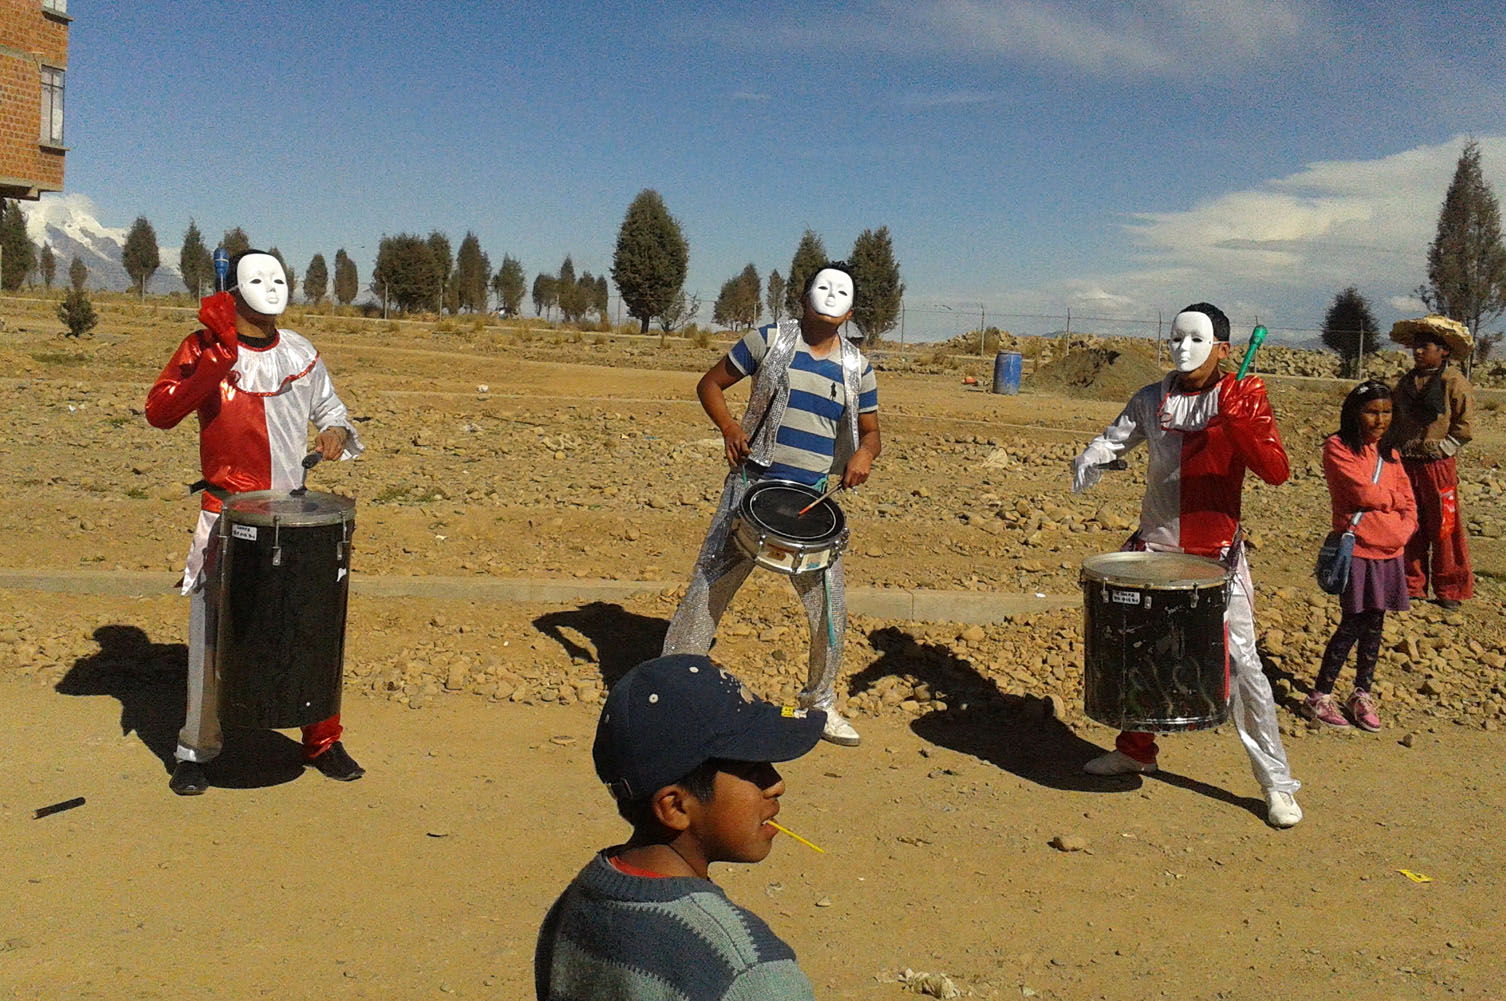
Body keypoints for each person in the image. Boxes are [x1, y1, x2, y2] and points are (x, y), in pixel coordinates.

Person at [1070, 302, 1302, 828]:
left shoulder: (1245, 395)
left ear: (1223, 348)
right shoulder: (1151, 398)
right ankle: (1135, 749)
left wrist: (1241, 422)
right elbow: (1116, 436)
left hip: (1216, 558)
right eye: (1176, 339)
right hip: (1155, 551)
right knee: (1141, 651)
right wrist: (1093, 456)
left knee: (1242, 667)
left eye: (1196, 340)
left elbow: (1275, 471)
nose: (1182, 349)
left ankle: (1276, 783)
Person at [145, 250, 364, 795]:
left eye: (277, 278)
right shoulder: (201, 348)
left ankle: (323, 740)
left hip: (294, 517)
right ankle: (196, 750)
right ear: (235, 289)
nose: (271, 289)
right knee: (210, 636)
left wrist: (334, 432)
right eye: (258, 279)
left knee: (310, 625)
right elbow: (160, 412)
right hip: (225, 515)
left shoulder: (300, 352)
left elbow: (332, 410)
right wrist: (214, 363)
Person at [662, 262, 880, 747]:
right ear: (803, 298)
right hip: (752, 486)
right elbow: (709, 384)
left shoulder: (858, 368)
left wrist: (864, 454)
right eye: (822, 289)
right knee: (708, 587)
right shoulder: (768, 340)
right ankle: (674, 691)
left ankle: (820, 703)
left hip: (812, 501)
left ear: (849, 312)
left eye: (841, 294)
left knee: (829, 608)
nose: (831, 298)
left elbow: (871, 433)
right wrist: (729, 428)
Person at [535, 654, 823, 1001]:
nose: (777, 784)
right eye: (752, 770)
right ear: (675, 807)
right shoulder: (749, 972)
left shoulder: (573, 907)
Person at [1305, 381, 1417, 732]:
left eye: (1386, 412)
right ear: (1355, 412)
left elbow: (1409, 501)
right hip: (1358, 548)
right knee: (1352, 621)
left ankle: (1361, 693)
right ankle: (1320, 695)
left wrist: (1402, 531)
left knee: (1376, 622)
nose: (1380, 420)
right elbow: (1362, 493)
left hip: (1390, 550)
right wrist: (1393, 501)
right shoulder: (1338, 447)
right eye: (1371, 411)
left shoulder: (1390, 452)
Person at [1387, 315, 1475, 610]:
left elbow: (1464, 426)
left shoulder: (1454, 382)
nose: (1419, 352)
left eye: (1426, 347)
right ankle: (1412, 584)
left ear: (1444, 351)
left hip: (1439, 467)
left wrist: (1444, 449)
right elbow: (1395, 421)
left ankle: (1450, 588)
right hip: (1406, 465)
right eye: (1417, 346)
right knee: (1409, 523)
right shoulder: (1405, 383)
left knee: (1445, 526)